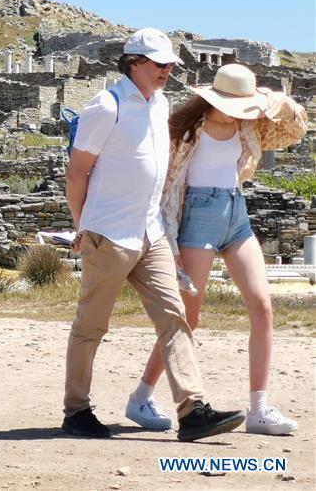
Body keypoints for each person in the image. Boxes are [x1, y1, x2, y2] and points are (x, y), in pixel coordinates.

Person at [63, 27, 244, 442]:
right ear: (134, 63)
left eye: (169, 65)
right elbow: (77, 171)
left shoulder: (160, 105)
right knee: (91, 325)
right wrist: (82, 226)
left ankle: (193, 408)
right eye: (159, 64)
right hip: (108, 233)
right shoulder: (105, 106)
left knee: (174, 315)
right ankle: (76, 411)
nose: (166, 71)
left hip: (151, 232)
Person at [125, 63, 307, 435]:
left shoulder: (248, 127)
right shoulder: (184, 130)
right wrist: (167, 241)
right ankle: (142, 395)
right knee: (186, 318)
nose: (240, 112)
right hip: (198, 217)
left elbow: (295, 128)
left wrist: (270, 98)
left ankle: (258, 408)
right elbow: (163, 185)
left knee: (262, 306)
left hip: (235, 213)